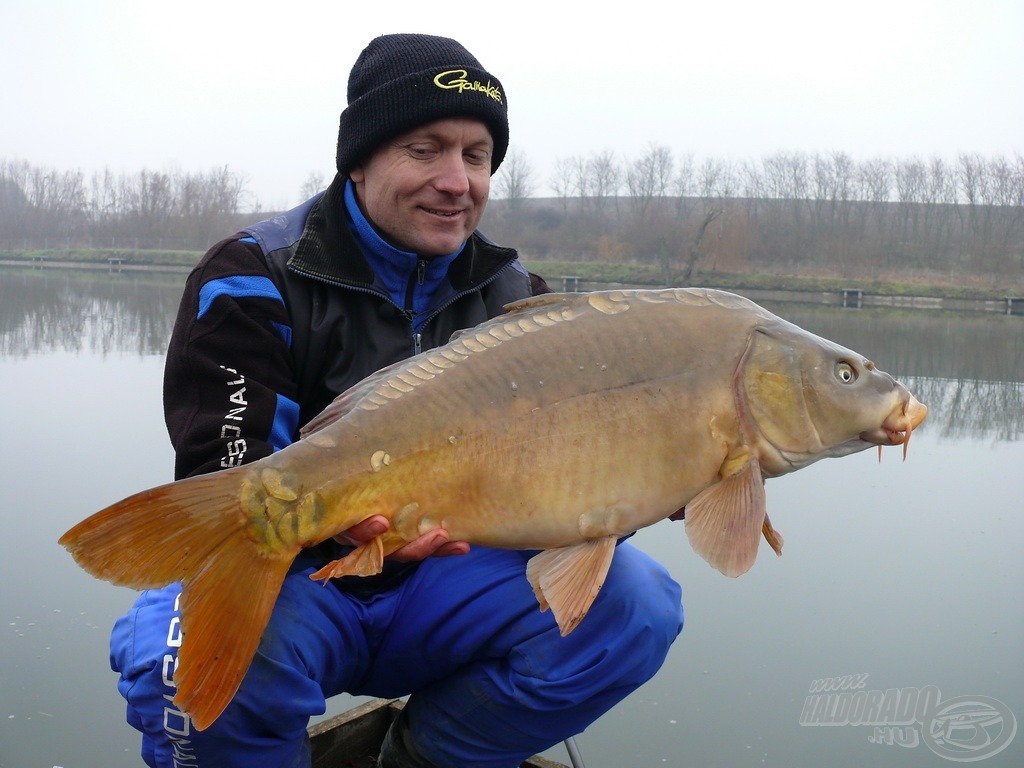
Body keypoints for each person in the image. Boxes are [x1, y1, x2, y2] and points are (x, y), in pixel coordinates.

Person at [109, 33, 684, 768]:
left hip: (448, 584)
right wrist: (345, 528)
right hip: (301, 585)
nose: (456, 180)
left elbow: (566, 503)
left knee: (636, 606)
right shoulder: (255, 275)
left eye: (476, 157)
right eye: (425, 148)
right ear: (360, 157)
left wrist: (651, 481)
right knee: (175, 658)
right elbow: (223, 479)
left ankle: (423, 757)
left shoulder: (522, 305)